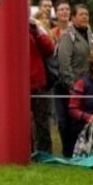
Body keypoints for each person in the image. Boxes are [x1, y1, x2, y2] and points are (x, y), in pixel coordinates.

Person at [57, 4, 93, 157]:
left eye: (86, 14)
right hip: (71, 87)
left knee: (83, 121)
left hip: (87, 85)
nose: (85, 17)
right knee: (69, 122)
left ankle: (83, 151)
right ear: (73, 17)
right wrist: (73, 86)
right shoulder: (68, 36)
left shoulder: (90, 35)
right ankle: (68, 152)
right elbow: (64, 63)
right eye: (81, 14)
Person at [28, 16, 55, 154]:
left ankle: (45, 154)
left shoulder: (35, 28)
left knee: (42, 122)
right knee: (24, 123)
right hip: (18, 86)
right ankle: (27, 152)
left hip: (38, 83)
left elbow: (50, 49)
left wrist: (36, 31)